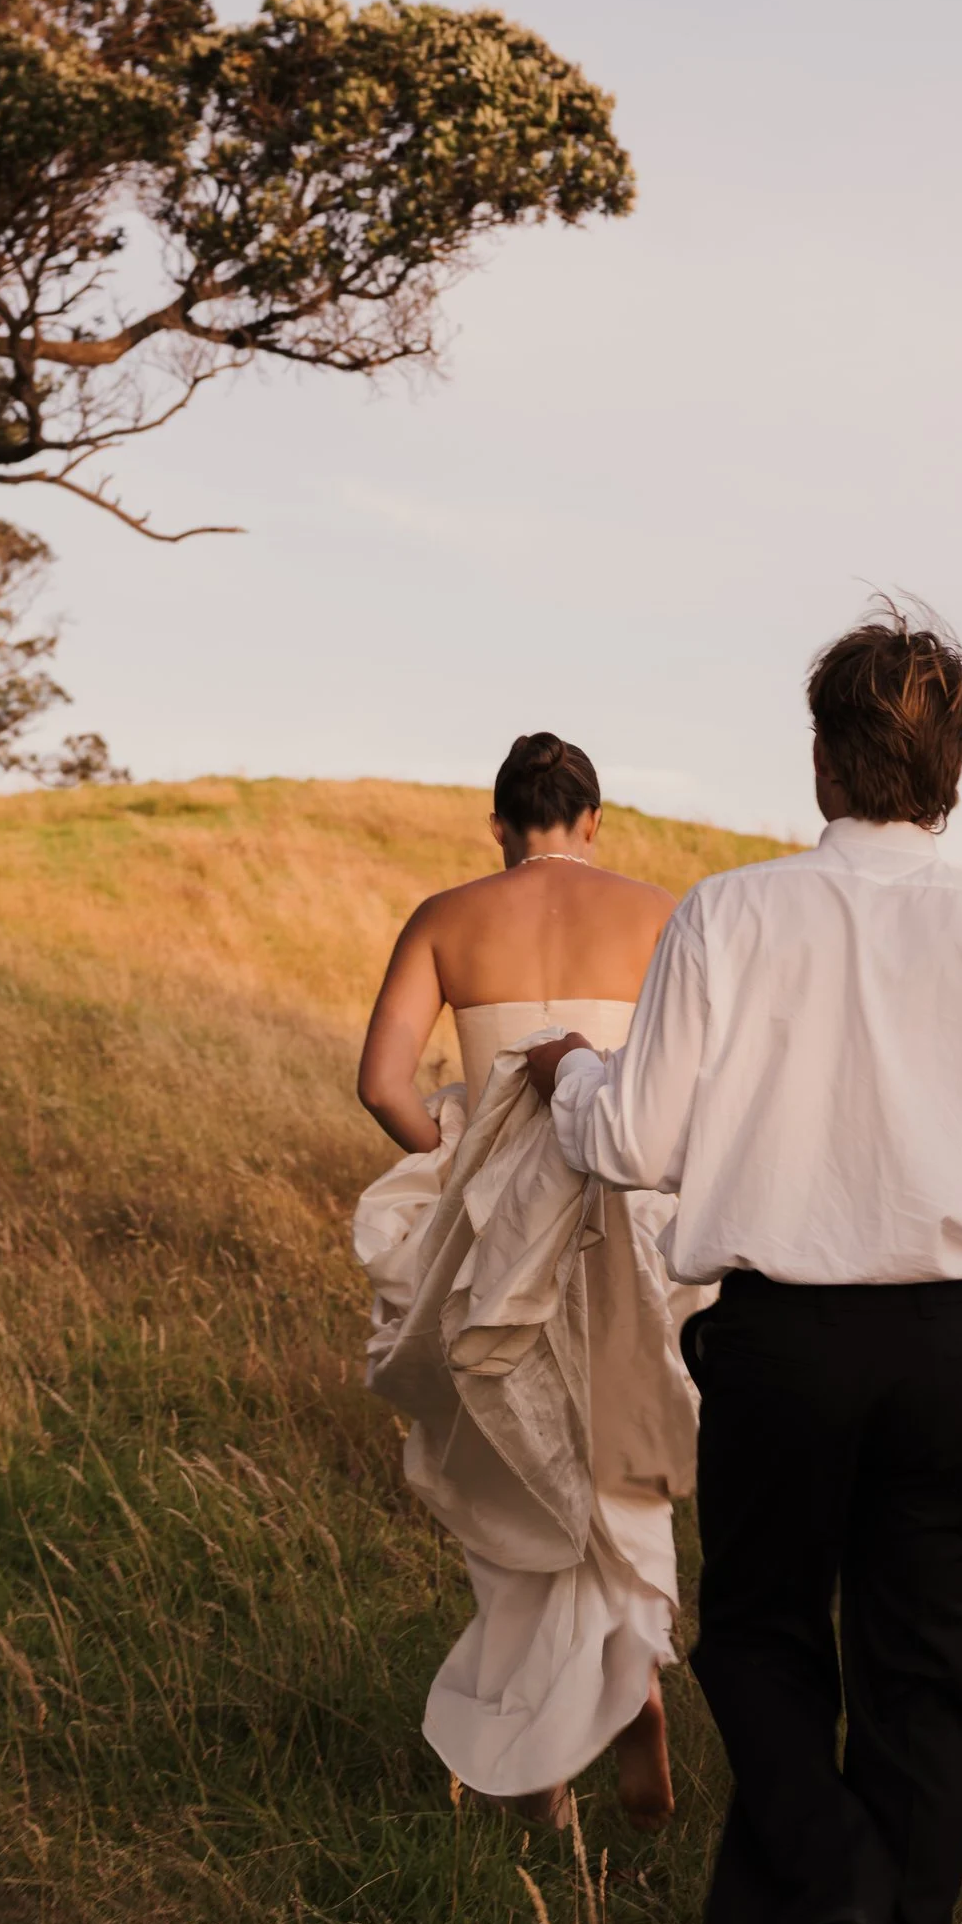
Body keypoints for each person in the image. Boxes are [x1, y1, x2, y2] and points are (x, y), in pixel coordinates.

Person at [527, 613, 962, 1924]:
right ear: (954, 771)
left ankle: (836, 1904)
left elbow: (633, 1141)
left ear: (821, 760)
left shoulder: (729, 917)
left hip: (783, 1345)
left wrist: (571, 1077)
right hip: (952, 1358)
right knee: (927, 1692)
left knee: (762, 1639)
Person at [354, 732, 703, 1831]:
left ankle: (539, 1771)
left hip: (495, 1232)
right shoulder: (660, 917)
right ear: (594, 821)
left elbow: (381, 1083)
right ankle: (633, 1671)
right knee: (620, 1455)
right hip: (622, 1218)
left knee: (513, 1458)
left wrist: (454, 1155)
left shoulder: (446, 917)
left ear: (500, 824)